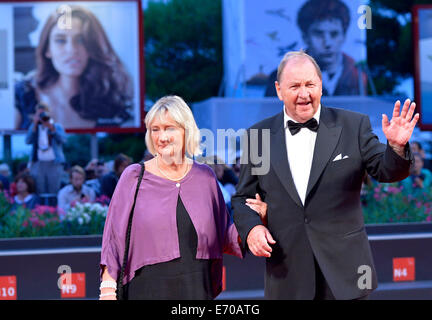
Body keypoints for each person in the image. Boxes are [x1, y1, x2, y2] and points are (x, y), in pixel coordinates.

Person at [232, 51, 418, 300]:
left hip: (346, 274)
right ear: (278, 90)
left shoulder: (353, 126)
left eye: (310, 84)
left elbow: (387, 171)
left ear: (321, 86)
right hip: (288, 275)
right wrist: (253, 228)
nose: (304, 94)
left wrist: (395, 147)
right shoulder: (258, 136)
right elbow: (243, 197)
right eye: (295, 86)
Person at [99, 95, 246, 300]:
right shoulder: (134, 176)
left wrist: (256, 221)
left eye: (169, 128)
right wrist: (107, 290)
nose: (162, 137)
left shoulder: (206, 177)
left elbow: (225, 233)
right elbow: (113, 238)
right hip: (147, 289)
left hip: (196, 289)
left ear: (186, 131)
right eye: (155, 129)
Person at [14, 5, 133, 130]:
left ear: (94, 46)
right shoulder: (22, 94)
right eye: (60, 40)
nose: (72, 50)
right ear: (47, 49)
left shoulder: (115, 102)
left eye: (81, 40)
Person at [265, 0, 367, 97]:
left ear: (344, 36)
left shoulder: (358, 76)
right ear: (305, 37)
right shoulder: (282, 77)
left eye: (334, 34)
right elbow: (269, 113)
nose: (327, 43)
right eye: (318, 34)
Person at [25, 103, 67, 196]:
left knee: (54, 190)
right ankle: (40, 210)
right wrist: (35, 126)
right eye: (39, 114)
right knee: (39, 190)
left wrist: (52, 129)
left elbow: (63, 140)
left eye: (44, 114)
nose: (42, 117)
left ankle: (54, 210)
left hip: (54, 163)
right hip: (38, 163)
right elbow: (28, 141)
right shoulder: (34, 127)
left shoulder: (57, 126)